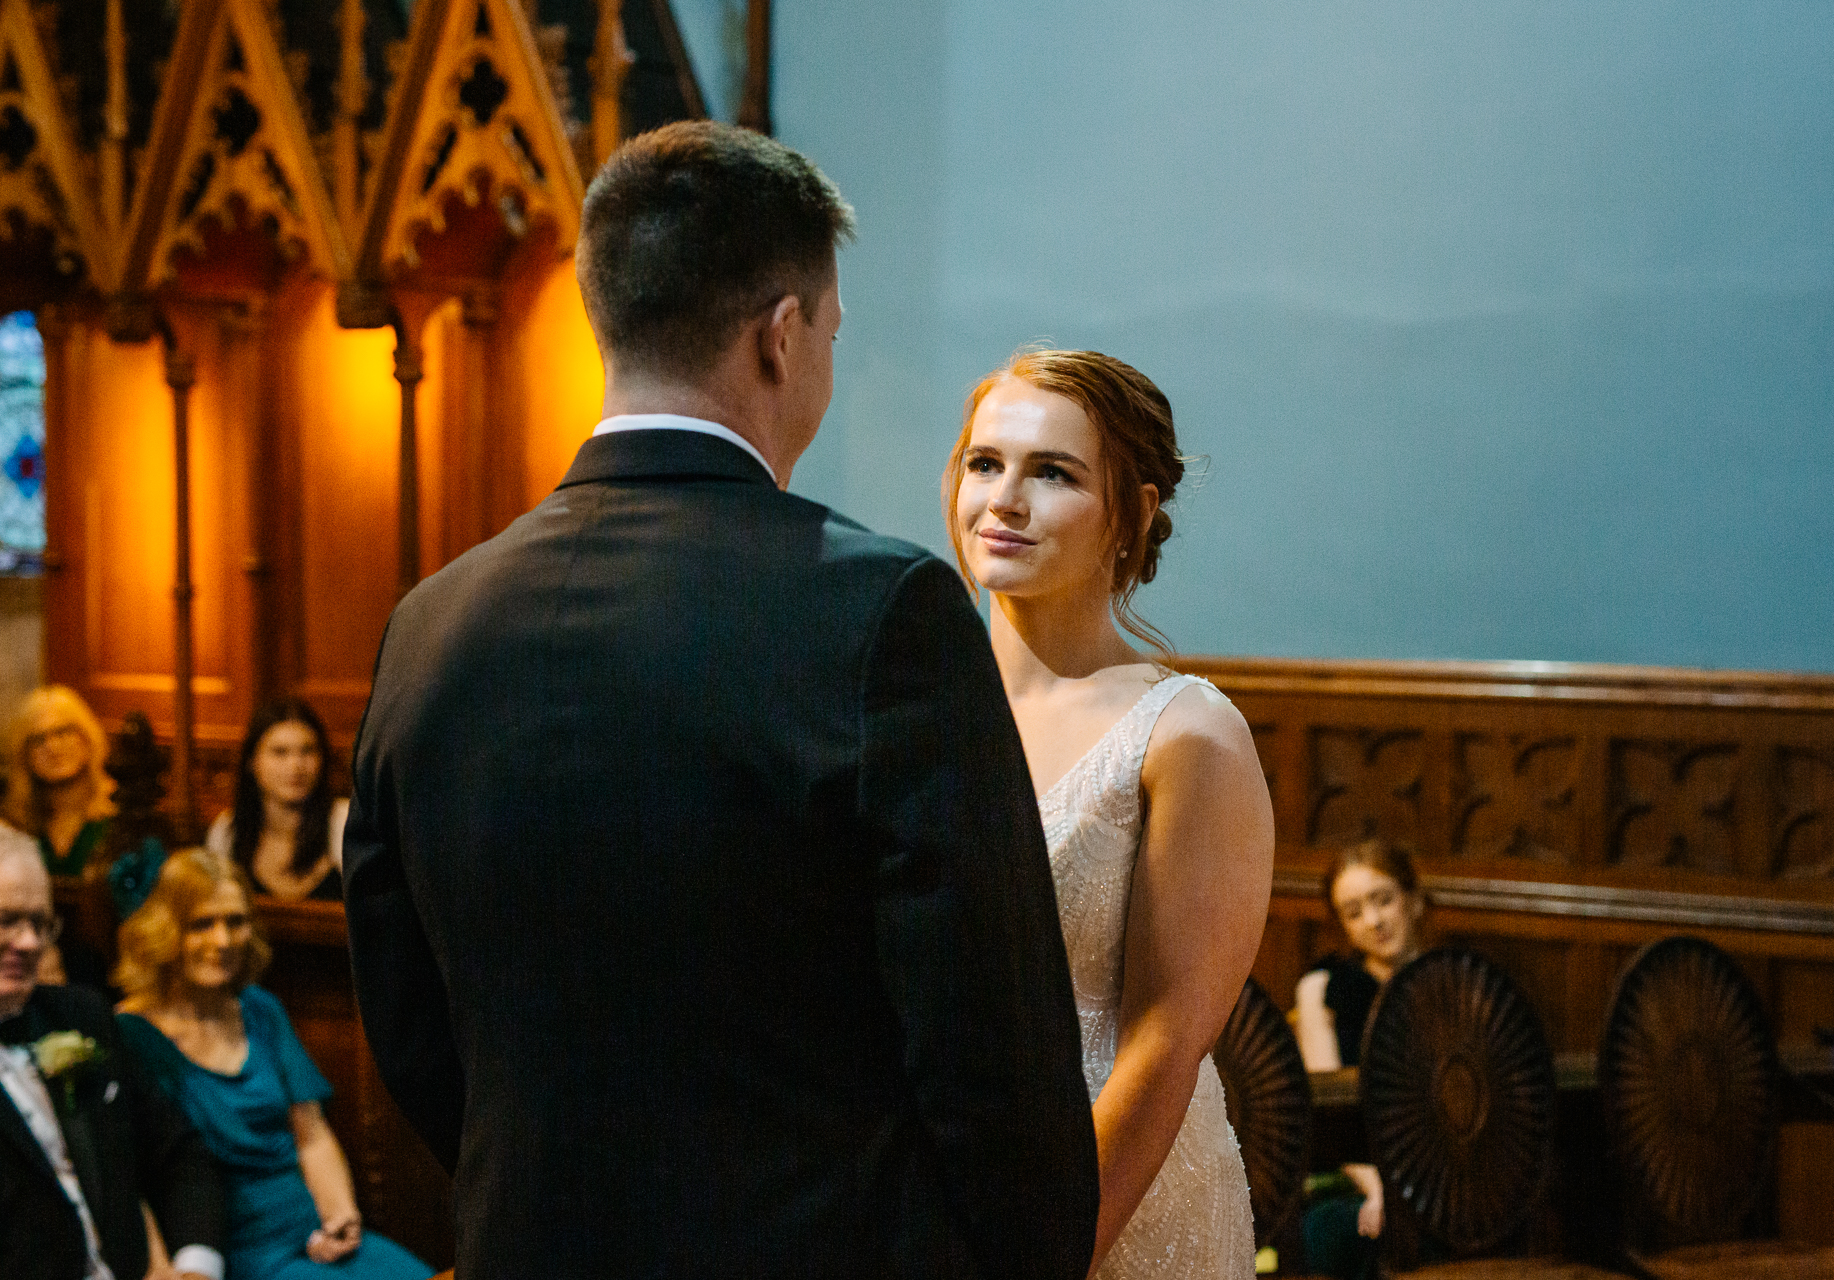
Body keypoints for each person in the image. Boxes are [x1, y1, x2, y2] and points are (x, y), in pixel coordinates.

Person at [343, 121, 1098, 1280]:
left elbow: (405, 1014)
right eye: (832, 331)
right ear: (782, 335)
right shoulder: (882, 612)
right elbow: (992, 1055)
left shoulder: (430, 625)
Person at [945, 347, 1274, 1277]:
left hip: (1116, 1197)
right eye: (984, 463)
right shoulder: (923, 711)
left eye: (1052, 473)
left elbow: (1165, 1044)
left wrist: (1050, 1245)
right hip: (948, 1187)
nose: (1003, 499)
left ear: (1129, 512)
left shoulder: (1186, 733)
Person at [114, 848, 430, 1280]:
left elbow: (311, 1134)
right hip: (230, 1251)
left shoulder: (260, 1009)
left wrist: (340, 1215)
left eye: (236, 921)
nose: (223, 941)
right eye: (201, 924)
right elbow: (124, 1174)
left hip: (315, 1231)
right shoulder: (129, 1034)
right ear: (164, 931)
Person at [0, 830, 227, 1280]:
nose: (28, 943)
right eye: (7, 920)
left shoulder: (81, 1015)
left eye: (41, 923)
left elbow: (179, 1154)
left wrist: (196, 1267)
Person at [1290, 838, 1429, 1280]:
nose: (1373, 921)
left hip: (1439, 1175)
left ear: (1414, 899)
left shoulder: (1453, 980)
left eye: (1383, 900)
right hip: (1351, 1176)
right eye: (1353, 912)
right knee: (1355, 1231)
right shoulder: (1322, 989)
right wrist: (1379, 1189)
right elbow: (1328, 1111)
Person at [206, 701, 347, 902]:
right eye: (280, 752)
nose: (296, 765)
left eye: (307, 751)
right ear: (252, 761)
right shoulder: (227, 831)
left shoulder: (344, 822)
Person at [4, 685, 116, 879]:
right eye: (39, 739)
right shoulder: (15, 825)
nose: (53, 747)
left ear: (86, 739)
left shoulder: (117, 815)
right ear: (24, 754)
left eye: (63, 732)